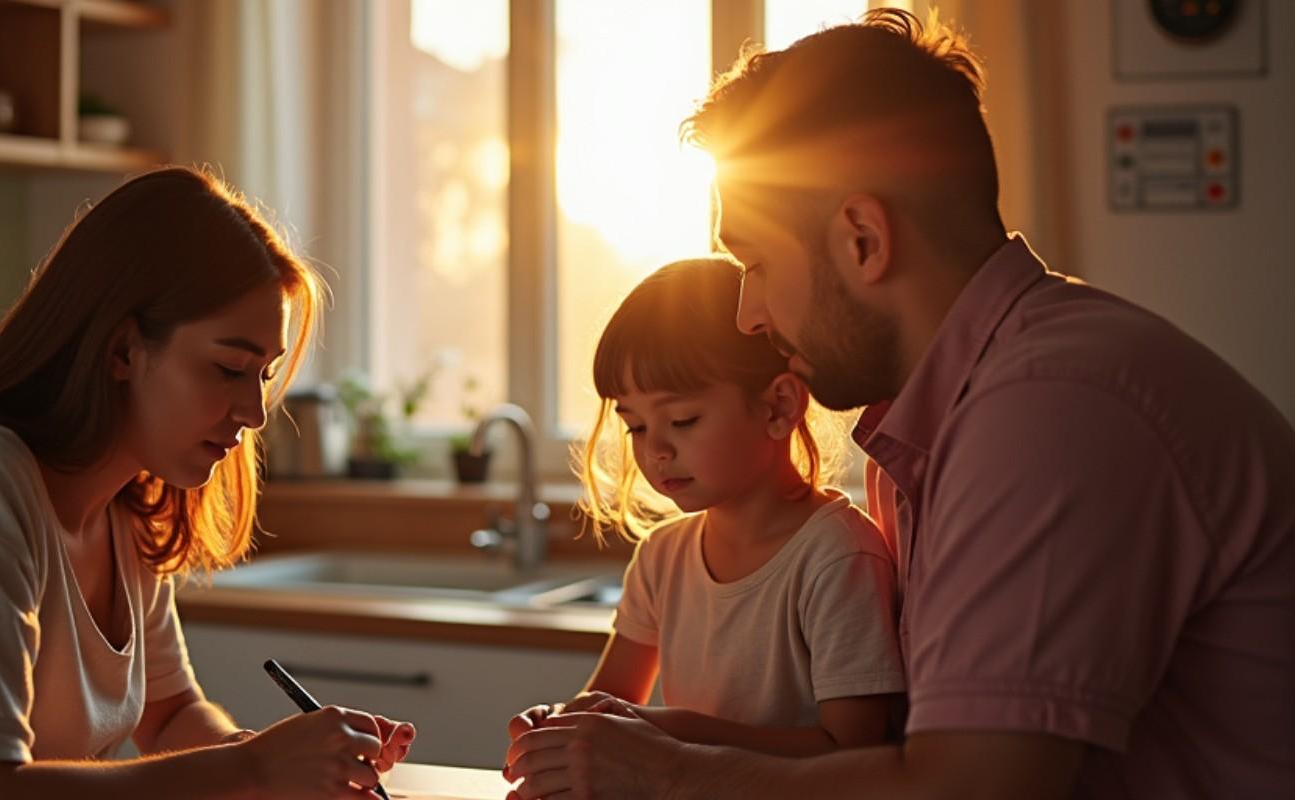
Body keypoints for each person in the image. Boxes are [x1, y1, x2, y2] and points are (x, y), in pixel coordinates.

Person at [504, 10, 1295, 798]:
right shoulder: (936, 424)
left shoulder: (1049, 410)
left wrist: (669, 769)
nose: (749, 313)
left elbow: (969, 788)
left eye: (756, 262)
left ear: (862, 241)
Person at [0, 166, 415, 799]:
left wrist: (279, 757)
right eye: (229, 368)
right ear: (121, 351)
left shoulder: (128, 498)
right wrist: (252, 770)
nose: (254, 414)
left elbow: (169, 714)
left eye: (263, 374)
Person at [505, 258, 902, 760]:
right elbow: (612, 702)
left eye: (683, 420)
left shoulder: (837, 556)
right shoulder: (661, 556)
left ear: (779, 406)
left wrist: (676, 732)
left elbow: (854, 751)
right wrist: (560, 723)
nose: (655, 452)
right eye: (636, 426)